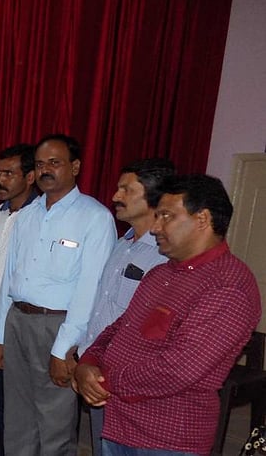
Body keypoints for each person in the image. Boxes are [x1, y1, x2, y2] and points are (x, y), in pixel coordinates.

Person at [75, 174, 261, 455]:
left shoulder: (228, 286)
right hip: (118, 422)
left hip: (167, 437)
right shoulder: (161, 272)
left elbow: (178, 369)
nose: (155, 228)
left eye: (166, 216)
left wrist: (104, 379)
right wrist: (88, 361)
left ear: (202, 219)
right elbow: (119, 328)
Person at [0, 134, 116, 455]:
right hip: (18, 320)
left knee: (54, 422)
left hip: (57, 327)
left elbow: (91, 289)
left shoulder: (95, 218)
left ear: (75, 167)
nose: (46, 170)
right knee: (17, 416)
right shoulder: (28, 215)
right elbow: (10, 278)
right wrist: (1, 334)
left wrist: (64, 349)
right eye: (40, 164)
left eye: (55, 163)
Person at [75, 158, 175, 455]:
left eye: (126, 190)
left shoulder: (165, 255)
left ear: (155, 197)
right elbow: (100, 309)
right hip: (97, 372)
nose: (116, 196)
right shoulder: (121, 244)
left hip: (133, 382)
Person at [0, 143, 37, 456]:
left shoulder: (39, 217)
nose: (0, 179)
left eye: (8, 174)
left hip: (19, 321)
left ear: (30, 176)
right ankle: (1, 448)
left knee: (17, 397)